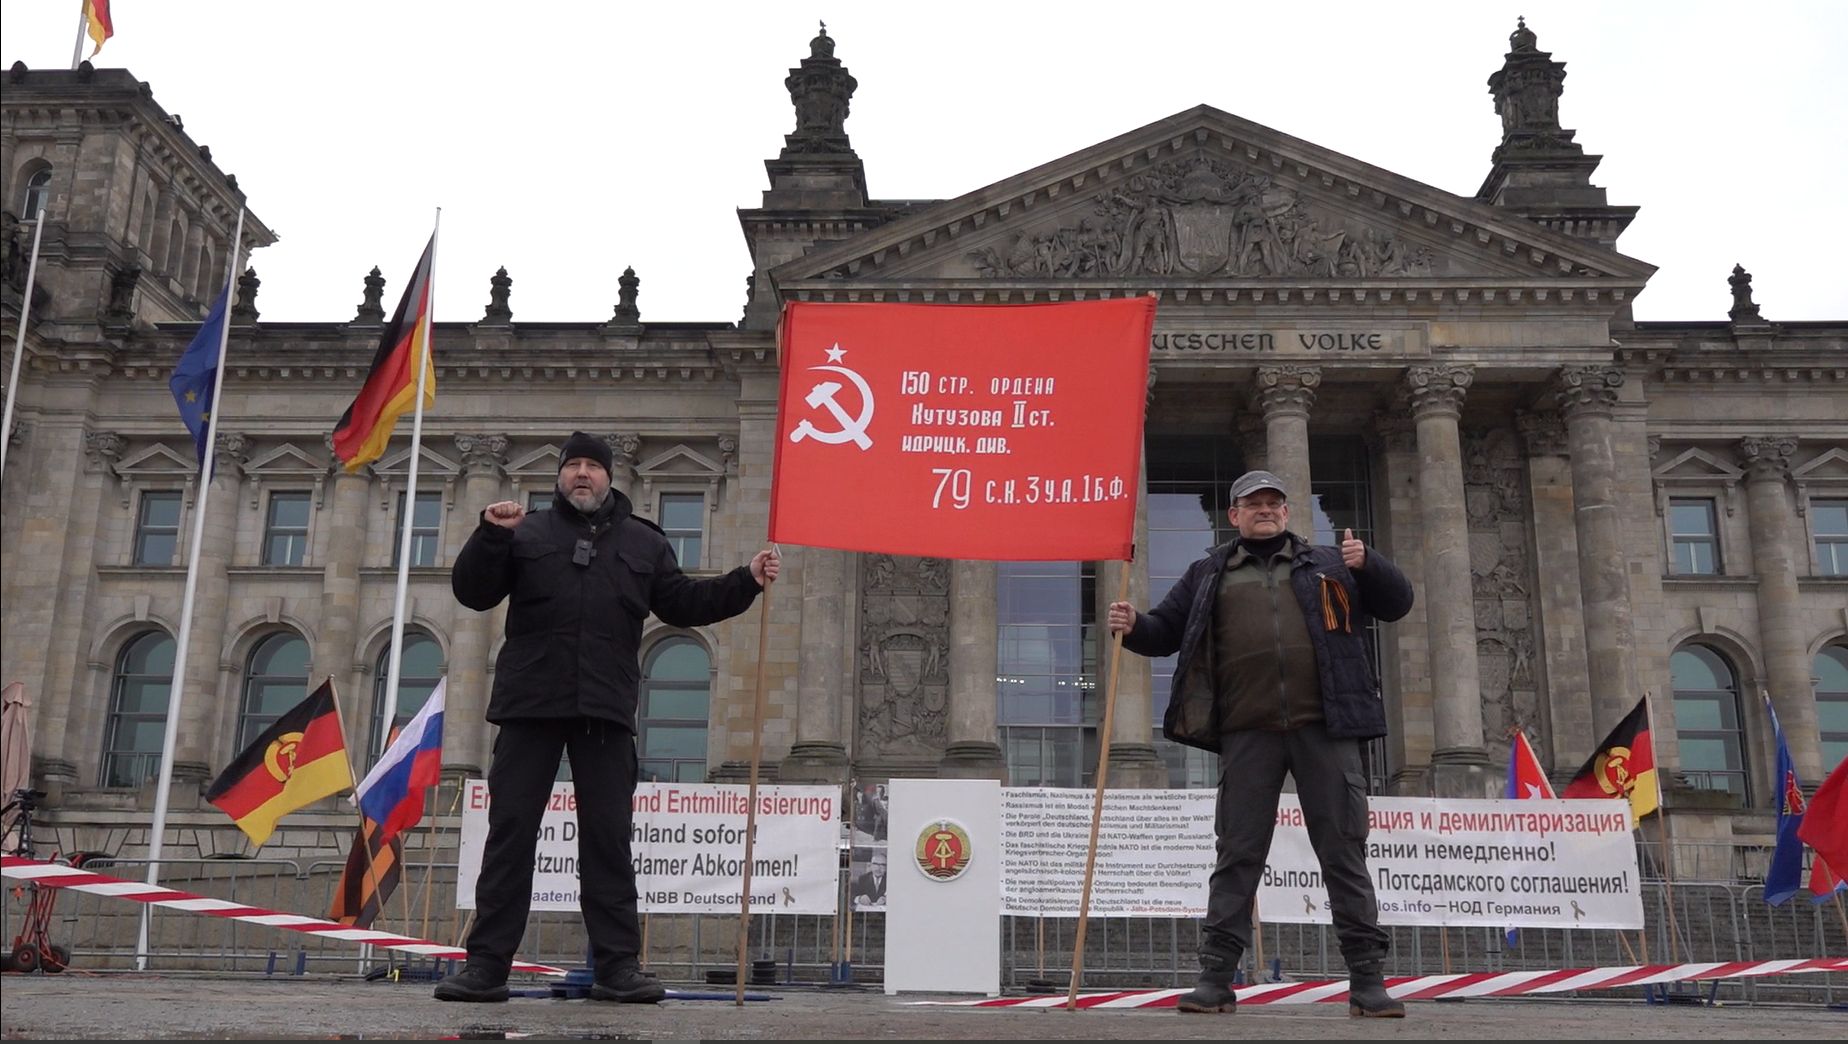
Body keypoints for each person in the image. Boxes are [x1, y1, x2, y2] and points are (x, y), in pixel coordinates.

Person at [435, 431, 781, 1004]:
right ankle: (487, 966)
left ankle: (618, 967)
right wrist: (490, 535)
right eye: (574, 466)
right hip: (530, 708)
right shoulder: (526, 532)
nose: (583, 475)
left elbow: (683, 604)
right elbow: (473, 592)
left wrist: (745, 579)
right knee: (511, 837)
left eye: (594, 466)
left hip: (605, 711)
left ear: (609, 477)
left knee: (607, 842)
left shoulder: (643, 543)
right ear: (560, 478)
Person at [1107, 469, 1413, 1018]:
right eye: (1254, 504)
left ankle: (1368, 982)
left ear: (1288, 512)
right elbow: (1165, 631)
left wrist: (1373, 564)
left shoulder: (1331, 563)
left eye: (1274, 502)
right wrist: (1133, 625)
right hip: (1248, 733)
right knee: (1238, 855)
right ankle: (1216, 979)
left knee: (1343, 852)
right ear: (1235, 516)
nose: (1265, 510)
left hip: (1325, 729)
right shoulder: (1208, 572)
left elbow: (1396, 604)